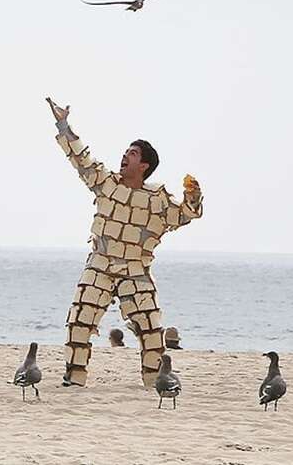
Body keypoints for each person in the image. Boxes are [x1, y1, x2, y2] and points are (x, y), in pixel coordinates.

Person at [46, 97, 203, 389]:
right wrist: (63, 124)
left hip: (136, 269)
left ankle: (155, 381)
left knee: (151, 329)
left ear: (143, 165)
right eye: (125, 151)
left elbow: (185, 214)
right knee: (79, 321)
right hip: (100, 265)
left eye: (132, 153)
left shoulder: (157, 200)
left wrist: (193, 197)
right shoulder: (106, 183)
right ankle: (74, 377)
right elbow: (80, 159)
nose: (124, 156)